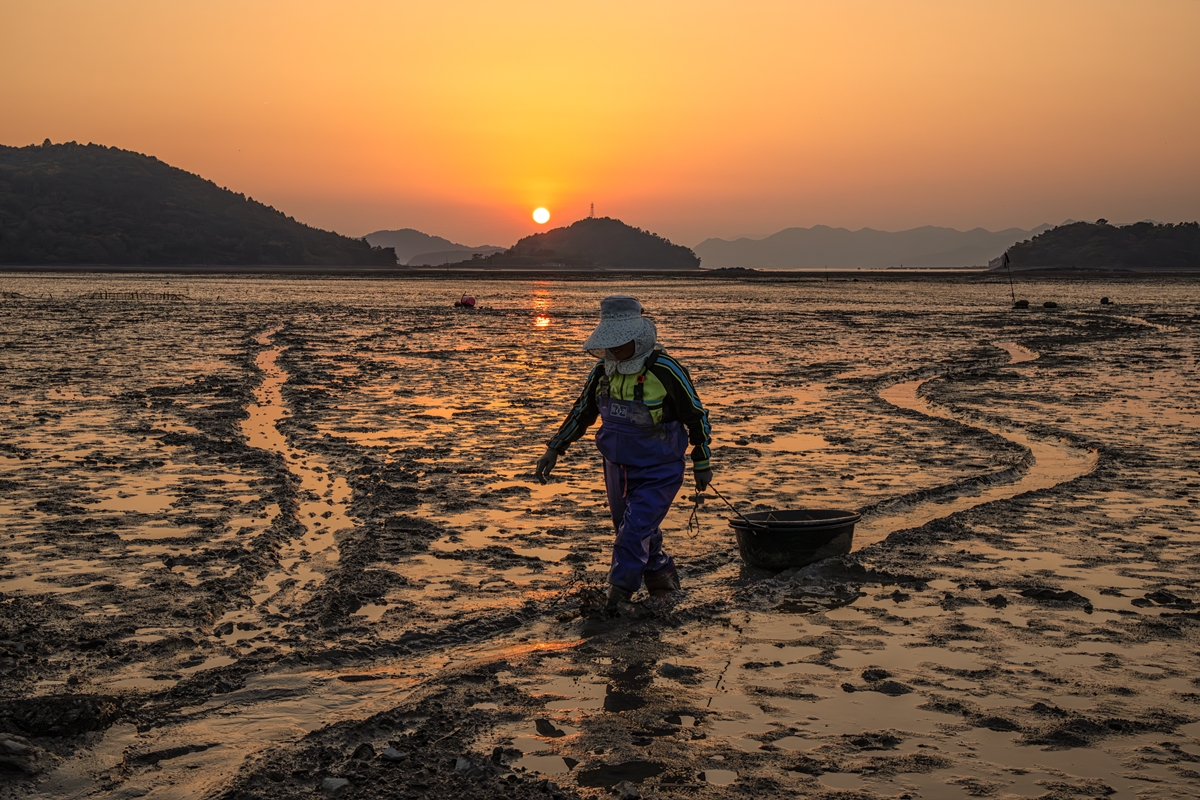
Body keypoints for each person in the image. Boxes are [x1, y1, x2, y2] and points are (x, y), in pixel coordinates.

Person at [535, 295, 712, 615]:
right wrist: (554, 448)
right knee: (630, 527)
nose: (614, 351)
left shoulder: (666, 369)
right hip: (616, 466)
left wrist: (702, 460)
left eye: (620, 344)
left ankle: (617, 599)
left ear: (639, 338)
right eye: (610, 345)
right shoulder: (603, 371)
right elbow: (582, 411)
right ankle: (661, 575)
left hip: (660, 466)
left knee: (633, 531)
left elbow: (696, 415)